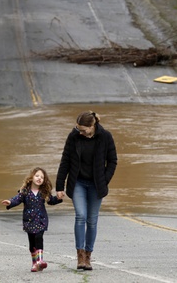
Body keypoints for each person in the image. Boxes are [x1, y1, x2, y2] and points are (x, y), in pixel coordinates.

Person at [56, 111, 118, 271]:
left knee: (92, 220)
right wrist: (59, 186)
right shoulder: (73, 137)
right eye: (79, 129)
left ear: (93, 126)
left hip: (97, 184)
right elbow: (65, 161)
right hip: (78, 183)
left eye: (83, 130)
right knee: (81, 216)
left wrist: (105, 180)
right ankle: (80, 255)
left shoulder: (105, 137)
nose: (80, 132)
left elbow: (112, 161)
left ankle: (89, 255)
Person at [2, 167, 63, 272]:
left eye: (42, 177)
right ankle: (35, 263)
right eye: (37, 176)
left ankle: (40, 261)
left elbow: (51, 201)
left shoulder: (44, 192)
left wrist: (58, 198)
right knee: (32, 243)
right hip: (29, 220)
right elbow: (17, 199)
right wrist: (10, 202)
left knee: (39, 237)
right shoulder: (25, 191)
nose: (39, 178)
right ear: (31, 177)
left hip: (41, 219)